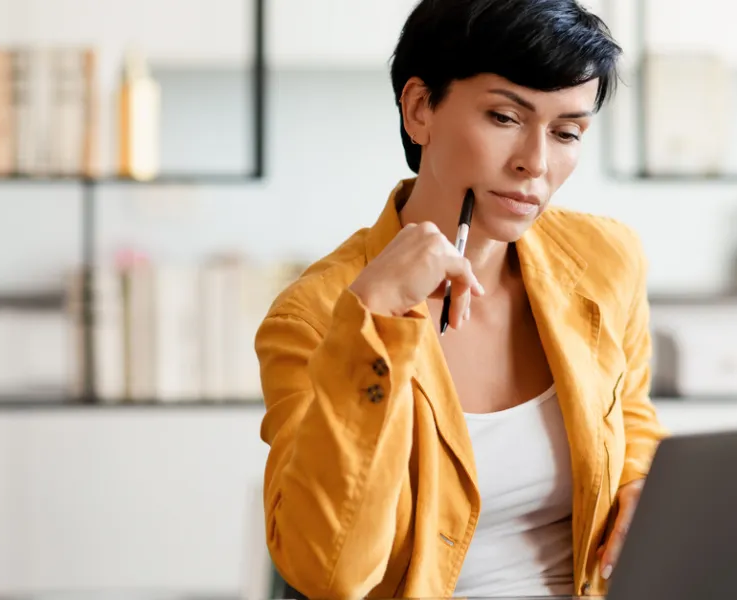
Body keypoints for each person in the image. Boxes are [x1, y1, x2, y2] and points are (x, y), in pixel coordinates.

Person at [255, 0, 666, 598]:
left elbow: (631, 420)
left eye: (566, 132)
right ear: (420, 108)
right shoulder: (314, 316)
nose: (535, 163)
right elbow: (329, 572)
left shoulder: (607, 258)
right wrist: (372, 321)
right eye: (504, 117)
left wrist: (638, 484)